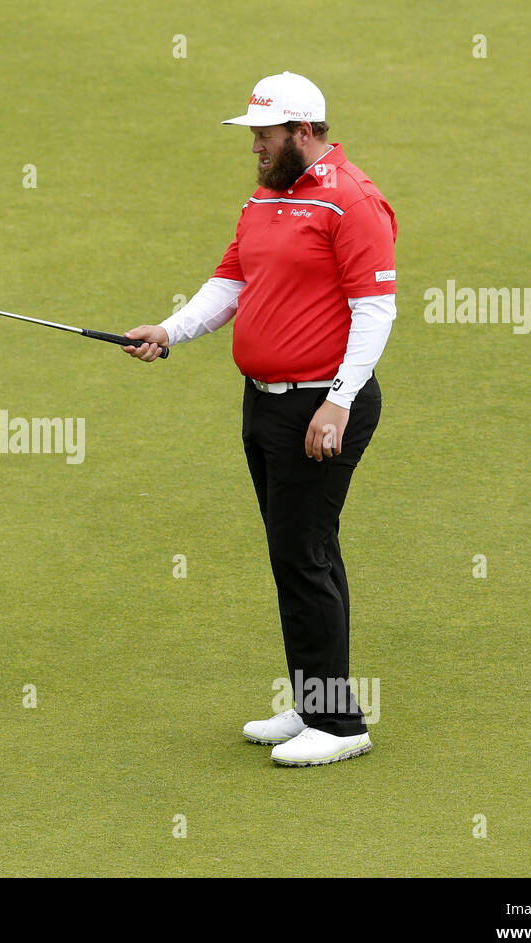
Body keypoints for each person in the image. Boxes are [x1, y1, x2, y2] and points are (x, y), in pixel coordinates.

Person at [123, 71, 397, 767]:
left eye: (266, 135)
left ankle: (338, 725)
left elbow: (375, 309)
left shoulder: (351, 200)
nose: (256, 147)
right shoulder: (267, 199)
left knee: (304, 555)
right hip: (266, 403)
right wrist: (171, 330)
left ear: (305, 131)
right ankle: (316, 702)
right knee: (296, 551)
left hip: (321, 405)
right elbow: (232, 282)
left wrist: (337, 402)